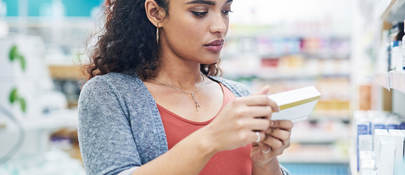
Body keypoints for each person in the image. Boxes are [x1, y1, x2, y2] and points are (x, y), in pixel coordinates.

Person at [78, 0, 293, 174]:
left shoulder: (239, 96)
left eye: (226, 11)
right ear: (156, 12)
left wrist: (266, 161)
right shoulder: (109, 95)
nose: (219, 26)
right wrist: (210, 138)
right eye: (200, 12)